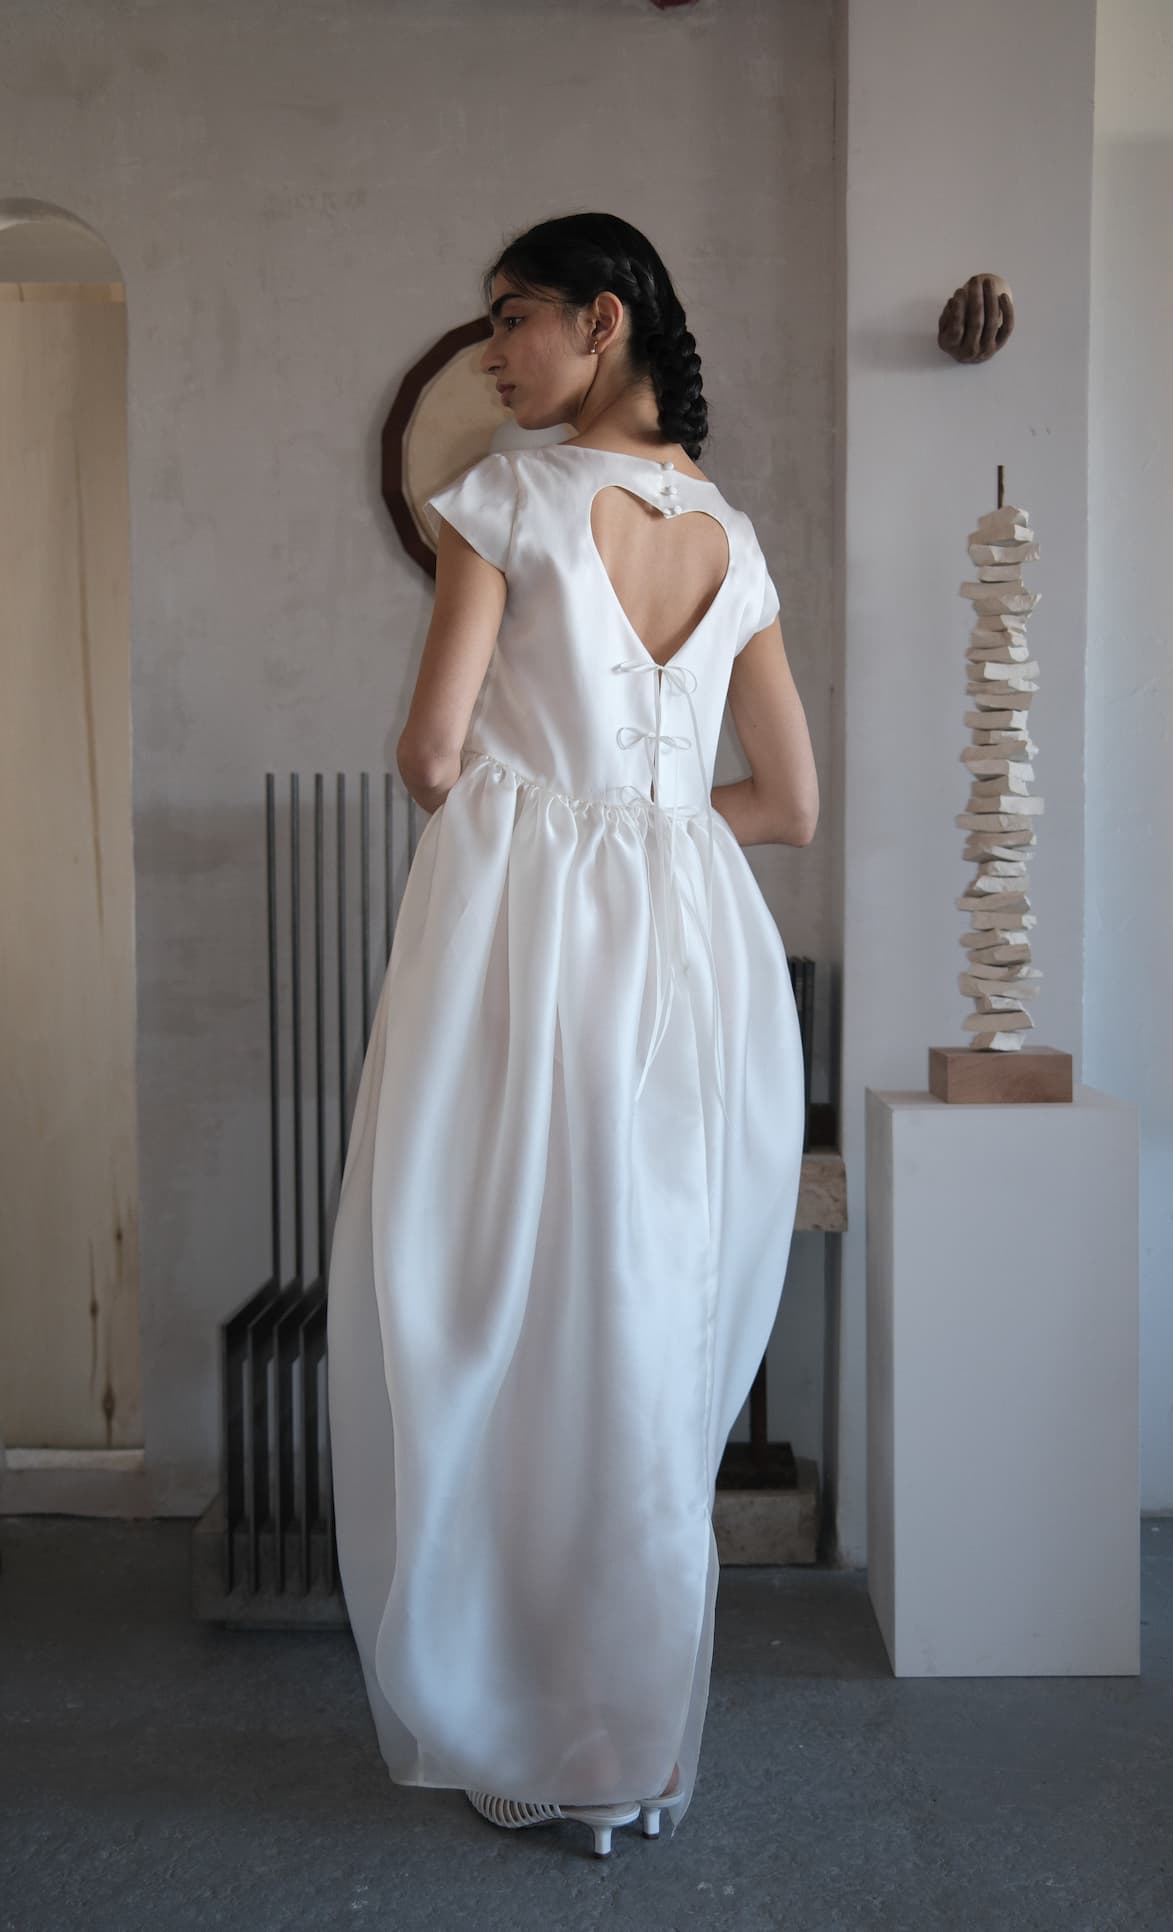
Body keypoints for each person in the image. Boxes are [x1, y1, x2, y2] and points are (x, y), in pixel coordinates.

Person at [326, 212, 818, 1860]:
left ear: (603, 323)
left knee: (506, 1313)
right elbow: (792, 805)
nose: (492, 353)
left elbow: (431, 756)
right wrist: (655, 832)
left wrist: (558, 841)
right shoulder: (734, 537)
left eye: (512, 319)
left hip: (539, 961)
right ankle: (631, 1746)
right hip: (701, 971)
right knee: (650, 1333)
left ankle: (529, 1725)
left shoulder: (508, 500)